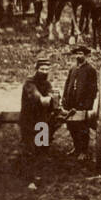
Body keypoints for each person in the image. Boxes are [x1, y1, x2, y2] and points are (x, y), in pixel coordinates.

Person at [19, 56, 61, 184]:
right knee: (30, 150)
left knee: (41, 148)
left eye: (47, 69)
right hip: (29, 121)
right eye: (42, 69)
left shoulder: (47, 83)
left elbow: (51, 93)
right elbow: (35, 95)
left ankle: (39, 175)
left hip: (42, 122)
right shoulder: (29, 82)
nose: (44, 71)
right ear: (36, 69)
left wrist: (54, 98)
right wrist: (45, 99)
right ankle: (29, 179)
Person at [61, 45, 99, 157]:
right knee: (72, 126)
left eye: (81, 54)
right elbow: (67, 84)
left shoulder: (90, 70)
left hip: (82, 104)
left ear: (85, 55)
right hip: (71, 103)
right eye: (77, 54)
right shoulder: (72, 69)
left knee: (83, 128)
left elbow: (93, 89)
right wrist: (65, 98)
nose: (78, 56)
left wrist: (87, 105)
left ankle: (83, 151)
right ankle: (76, 147)